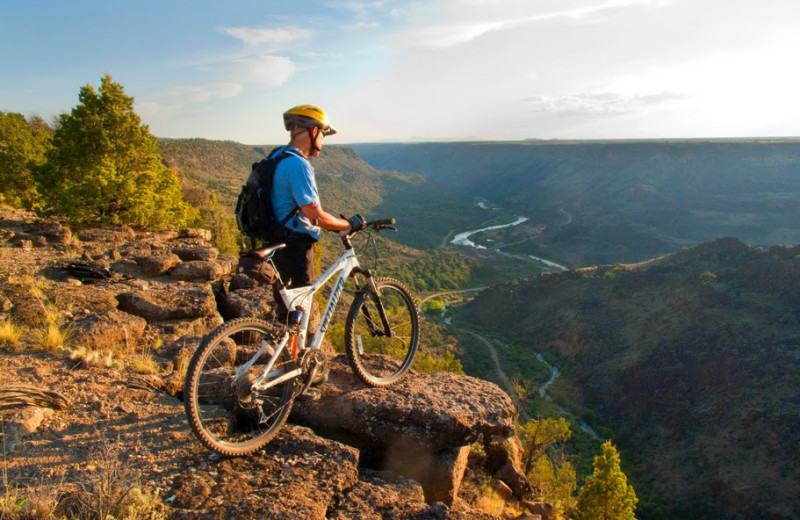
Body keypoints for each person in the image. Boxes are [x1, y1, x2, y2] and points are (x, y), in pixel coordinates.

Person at [267, 104, 365, 314]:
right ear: (313, 131)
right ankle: (293, 347)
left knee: (285, 311)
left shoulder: (277, 156)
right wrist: (349, 224)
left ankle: (281, 344)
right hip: (295, 248)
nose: (322, 141)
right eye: (323, 134)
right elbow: (316, 218)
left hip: (275, 241)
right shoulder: (298, 165)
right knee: (298, 313)